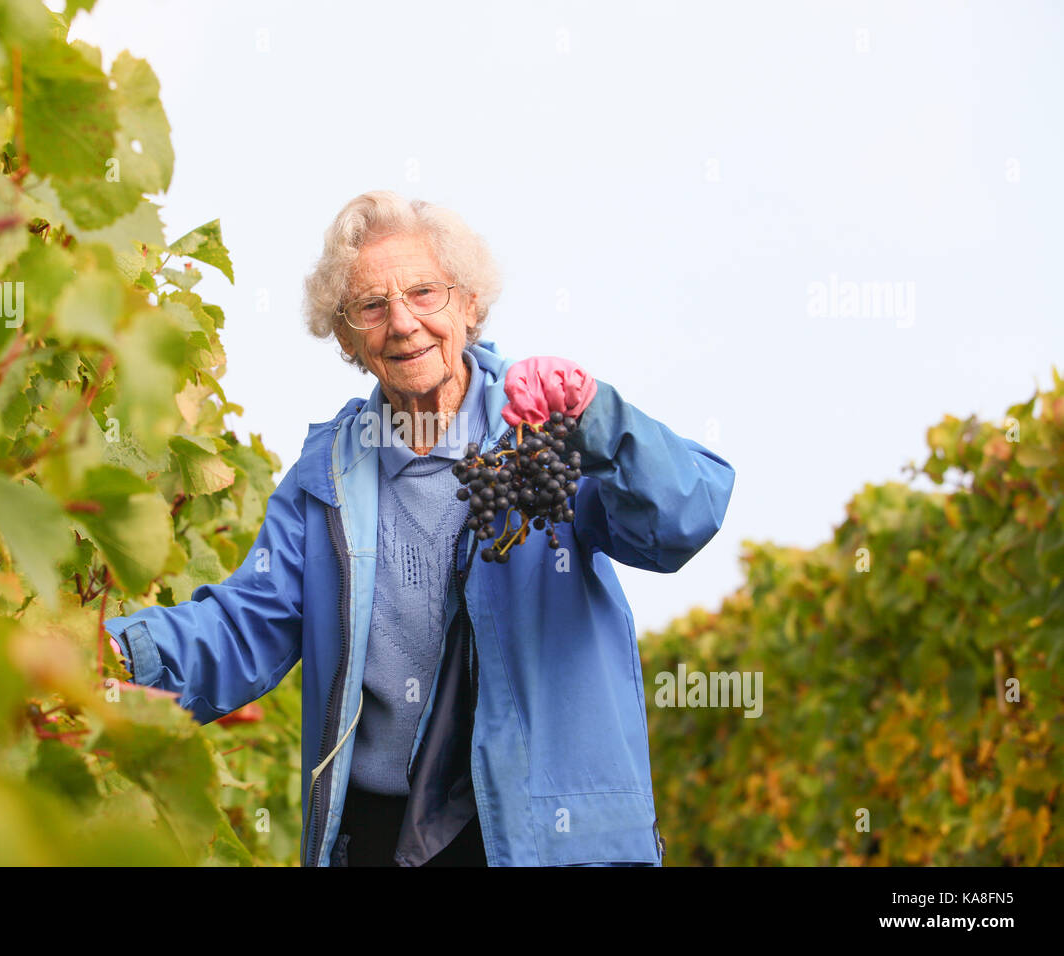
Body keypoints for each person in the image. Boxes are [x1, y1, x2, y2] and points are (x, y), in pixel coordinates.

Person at [105, 190, 736, 866]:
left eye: (424, 293)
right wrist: (111, 655)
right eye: (370, 307)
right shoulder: (327, 478)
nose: (402, 324)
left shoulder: (549, 434)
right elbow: (244, 626)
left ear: (468, 304)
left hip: (545, 840)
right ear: (346, 337)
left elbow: (686, 514)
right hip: (383, 840)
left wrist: (597, 413)